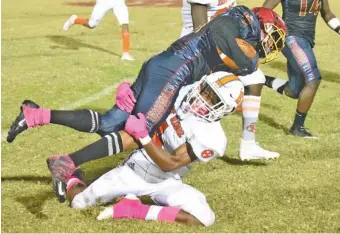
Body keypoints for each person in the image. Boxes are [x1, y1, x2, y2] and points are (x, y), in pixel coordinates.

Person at [7, 6, 285, 199]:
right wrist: (249, 62)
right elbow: (219, 33)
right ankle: (67, 162)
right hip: (174, 72)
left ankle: (35, 114)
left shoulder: (242, 45)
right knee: (138, 133)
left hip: (165, 68)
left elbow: (247, 74)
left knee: (110, 123)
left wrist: (264, 76)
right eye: (271, 36)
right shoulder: (241, 18)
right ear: (260, 24)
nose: (269, 45)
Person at [64, 71, 245, 227]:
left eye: (213, 99)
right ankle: (72, 175)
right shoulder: (180, 92)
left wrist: (143, 136)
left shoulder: (212, 137)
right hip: (137, 168)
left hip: (168, 180)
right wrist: (130, 91)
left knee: (205, 217)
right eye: (205, 90)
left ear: (225, 110)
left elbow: (171, 163)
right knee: (79, 203)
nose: (202, 98)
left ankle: (136, 210)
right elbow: (149, 91)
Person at [262, 0, 340, 138]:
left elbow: (327, 14)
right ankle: (297, 128)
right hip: (291, 37)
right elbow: (264, 11)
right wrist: (267, 34)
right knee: (313, 78)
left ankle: (258, 79)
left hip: (306, 40)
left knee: (295, 91)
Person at [62, 0, 135, 61]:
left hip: (118, 2)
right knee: (91, 24)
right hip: (103, 2)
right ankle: (74, 20)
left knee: (125, 24)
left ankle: (126, 53)